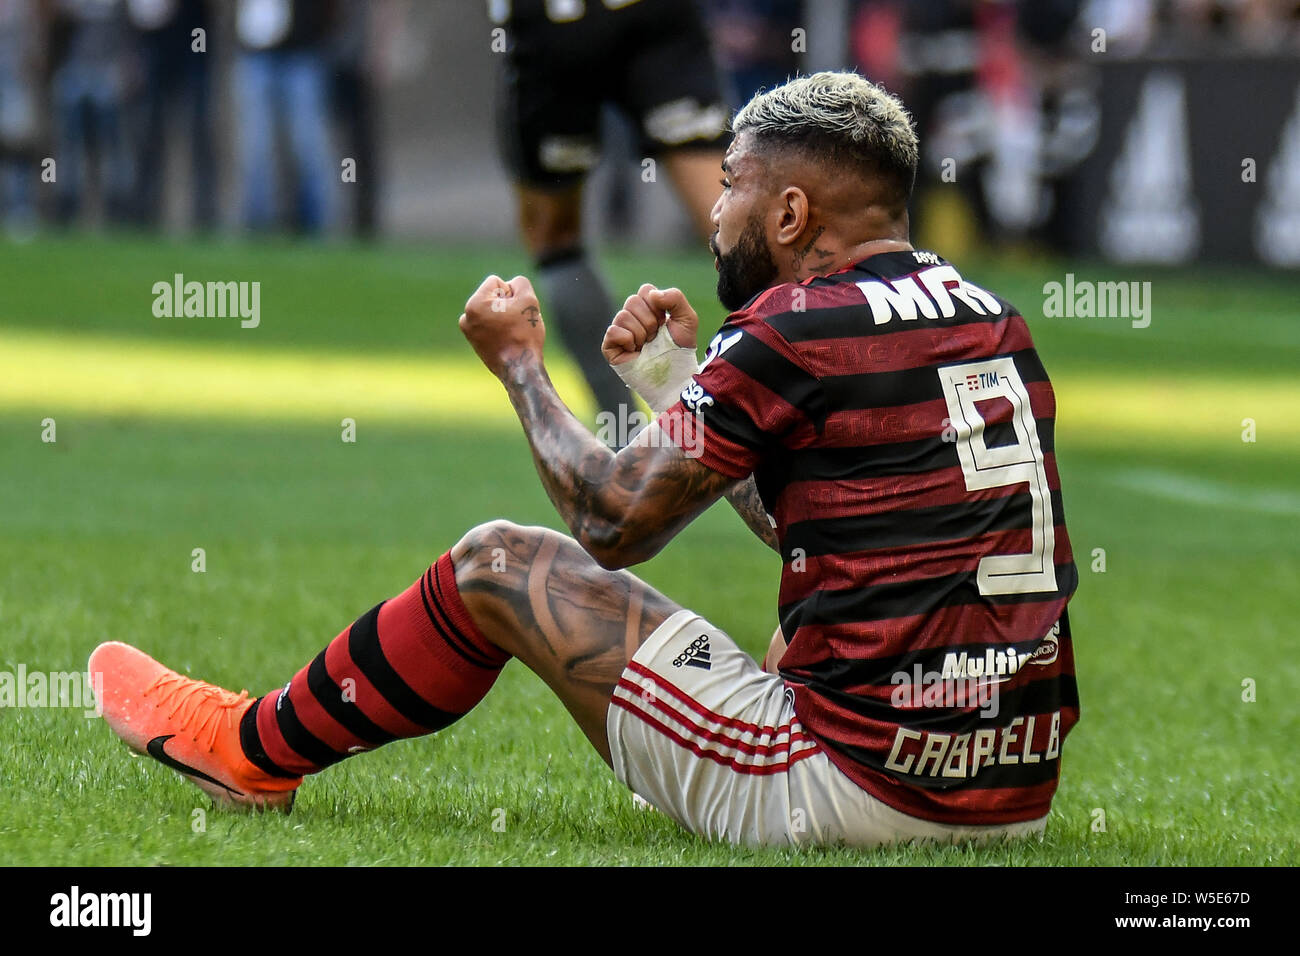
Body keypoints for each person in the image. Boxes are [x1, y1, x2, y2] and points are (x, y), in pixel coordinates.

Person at [89, 72, 1079, 848]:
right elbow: (822, 523)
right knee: (800, 630)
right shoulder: (994, 322)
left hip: (857, 786)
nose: (713, 213)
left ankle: (249, 748)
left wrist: (521, 367)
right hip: (1013, 788)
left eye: (729, 184)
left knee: (499, 564)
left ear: (789, 216)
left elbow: (610, 522)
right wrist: (671, 379)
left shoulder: (796, 322)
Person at [491, 0, 730, 435]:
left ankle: (628, 445)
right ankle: (808, 414)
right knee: (733, 228)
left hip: (560, 23)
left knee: (554, 237)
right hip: (649, 20)